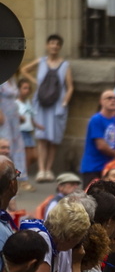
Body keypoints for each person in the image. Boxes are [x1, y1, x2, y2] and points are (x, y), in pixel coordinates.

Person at [22, 34, 73, 183]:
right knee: (42, 138)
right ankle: (41, 170)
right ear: (47, 45)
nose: (54, 46)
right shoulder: (41, 61)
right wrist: (36, 82)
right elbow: (24, 70)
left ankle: (49, 169)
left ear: (60, 47)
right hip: (42, 104)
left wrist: (64, 102)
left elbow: (70, 87)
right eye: (52, 43)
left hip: (57, 106)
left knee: (53, 139)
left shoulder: (65, 65)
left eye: (57, 44)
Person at [80, 90, 115, 187]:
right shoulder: (96, 119)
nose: (113, 100)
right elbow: (101, 146)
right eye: (109, 98)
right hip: (93, 167)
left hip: (109, 167)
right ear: (101, 101)